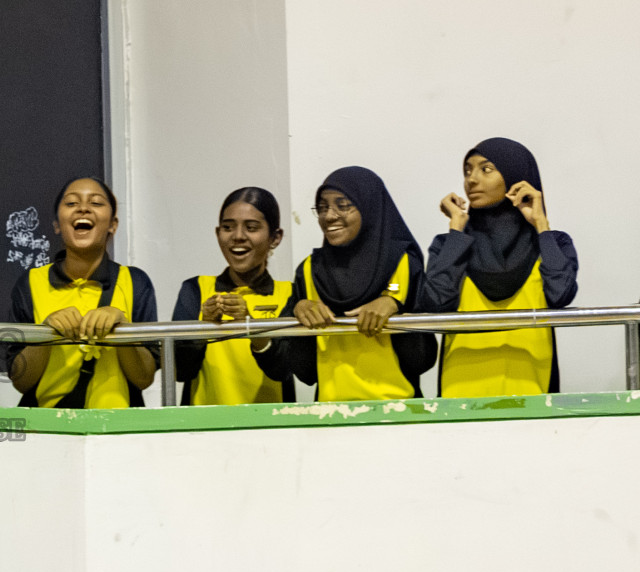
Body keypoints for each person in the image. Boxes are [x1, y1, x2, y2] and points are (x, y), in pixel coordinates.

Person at [253, 166, 436, 401]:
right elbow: (298, 368)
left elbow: (422, 357)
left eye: (343, 205)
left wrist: (392, 302)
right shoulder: (309, 270)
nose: (329, 216)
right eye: (322, 207)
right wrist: (299, 309)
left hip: (399, 409)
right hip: (330, 413)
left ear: (369, 207)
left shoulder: (401, 262)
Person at [421, 138, 577, 396]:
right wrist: (456, 229)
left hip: (532, 394)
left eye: (486, 169)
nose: (471, 180)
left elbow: (561, 294)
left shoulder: (552, 243)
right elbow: (436, 301)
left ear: (516, 178)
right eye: (467, 171)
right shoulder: (450, 245)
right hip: (459, 398)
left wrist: (541, 224)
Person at [8, 177, 158, 409]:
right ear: (57, 225)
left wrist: (122, 328)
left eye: (96, 203)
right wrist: (45, 334)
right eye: (71, 203)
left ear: (113, 225)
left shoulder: (135, 282)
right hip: (48, 424)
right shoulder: (30, 283)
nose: (83, 208)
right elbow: (20, 381)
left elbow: (144, 378)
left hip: (118, 424)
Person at [171, 187, 294, 405]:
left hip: (271, 423)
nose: (238, 236)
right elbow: (180, 371)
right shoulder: (196, 289)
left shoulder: (289, 294)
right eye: (228, 227)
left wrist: (252, 328)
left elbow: (283, 369)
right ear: (217, 233)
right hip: (204, 423)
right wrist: (203, 329)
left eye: (251, 228)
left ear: (275, 237)